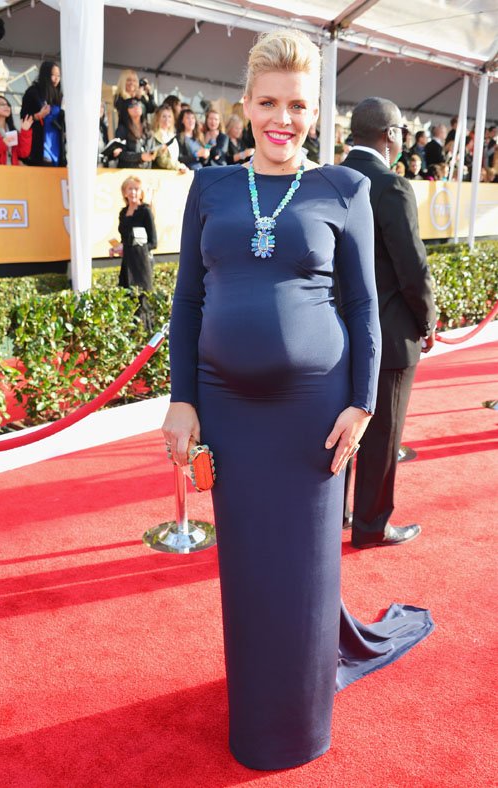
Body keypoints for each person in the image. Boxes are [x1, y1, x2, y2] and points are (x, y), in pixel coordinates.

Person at [162, 30, 434, 771]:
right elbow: (187, 301)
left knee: (306, 571)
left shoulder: (343, 189)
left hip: (315, 415)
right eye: (269, 103)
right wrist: (183, 399)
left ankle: (300, 722)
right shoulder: (210, 187)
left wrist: (363, 404)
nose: (283, 119)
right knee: (249, 568)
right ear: (246, 103)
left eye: (299, 106)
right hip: (228, 413)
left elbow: (365, 305)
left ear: (317, 112)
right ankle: (256, 712)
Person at [341, 96, 437, 549]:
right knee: (382, 436)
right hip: (390, 335)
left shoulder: (331, 178)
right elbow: (411, 267)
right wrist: (427, 321)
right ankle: (371, 527)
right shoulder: (392, 186)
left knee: (339, 429)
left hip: (337, 334)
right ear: (391, 135)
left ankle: (336, 515)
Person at [109, 175, 157, 330]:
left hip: (141, 265)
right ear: (124, 192)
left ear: (141, 192)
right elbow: (126, 239)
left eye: (136, 189)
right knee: (126, 298)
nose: (133, 192)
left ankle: (146, 336)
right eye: (130, 189)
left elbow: (153, 242)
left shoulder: (145, 211)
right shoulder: (123, 213)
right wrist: (117, 248)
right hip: (127, 264)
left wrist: (129, 248)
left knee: (142, 302)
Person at [20, 61, 65, 166]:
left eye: (58, 76)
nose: (56, 79)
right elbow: (24, 117)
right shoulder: (33, 92)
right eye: (53, 75)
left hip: (57, 146)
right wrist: (38, 116)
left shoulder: (60, 96)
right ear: (45, 75)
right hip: (39, 146)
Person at [114, 97, 160, 169]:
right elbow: (120, 154)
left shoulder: (148, 128)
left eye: (138, 104)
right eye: (131, 106)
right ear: (126, 110)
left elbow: (152, 149)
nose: (136, 107)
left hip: (146, 171)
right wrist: (140, 156)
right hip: (127, 171)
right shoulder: (122, 129)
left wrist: (159, 152)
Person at [0, 95, 33, 165]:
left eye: (8, 105)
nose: (6, 106)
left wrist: (25, 131)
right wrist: (3, 143)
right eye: (2, 104)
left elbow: (23, 153)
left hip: (12, 170)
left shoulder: (11, 130)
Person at [151, 104, 185, 171]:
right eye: (164, 116)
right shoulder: (155, 136)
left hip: (175, 171)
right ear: (157, 118)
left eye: (169, 116)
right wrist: (178, 166)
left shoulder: (172, 136)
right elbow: (162, 161)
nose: (167, 119)